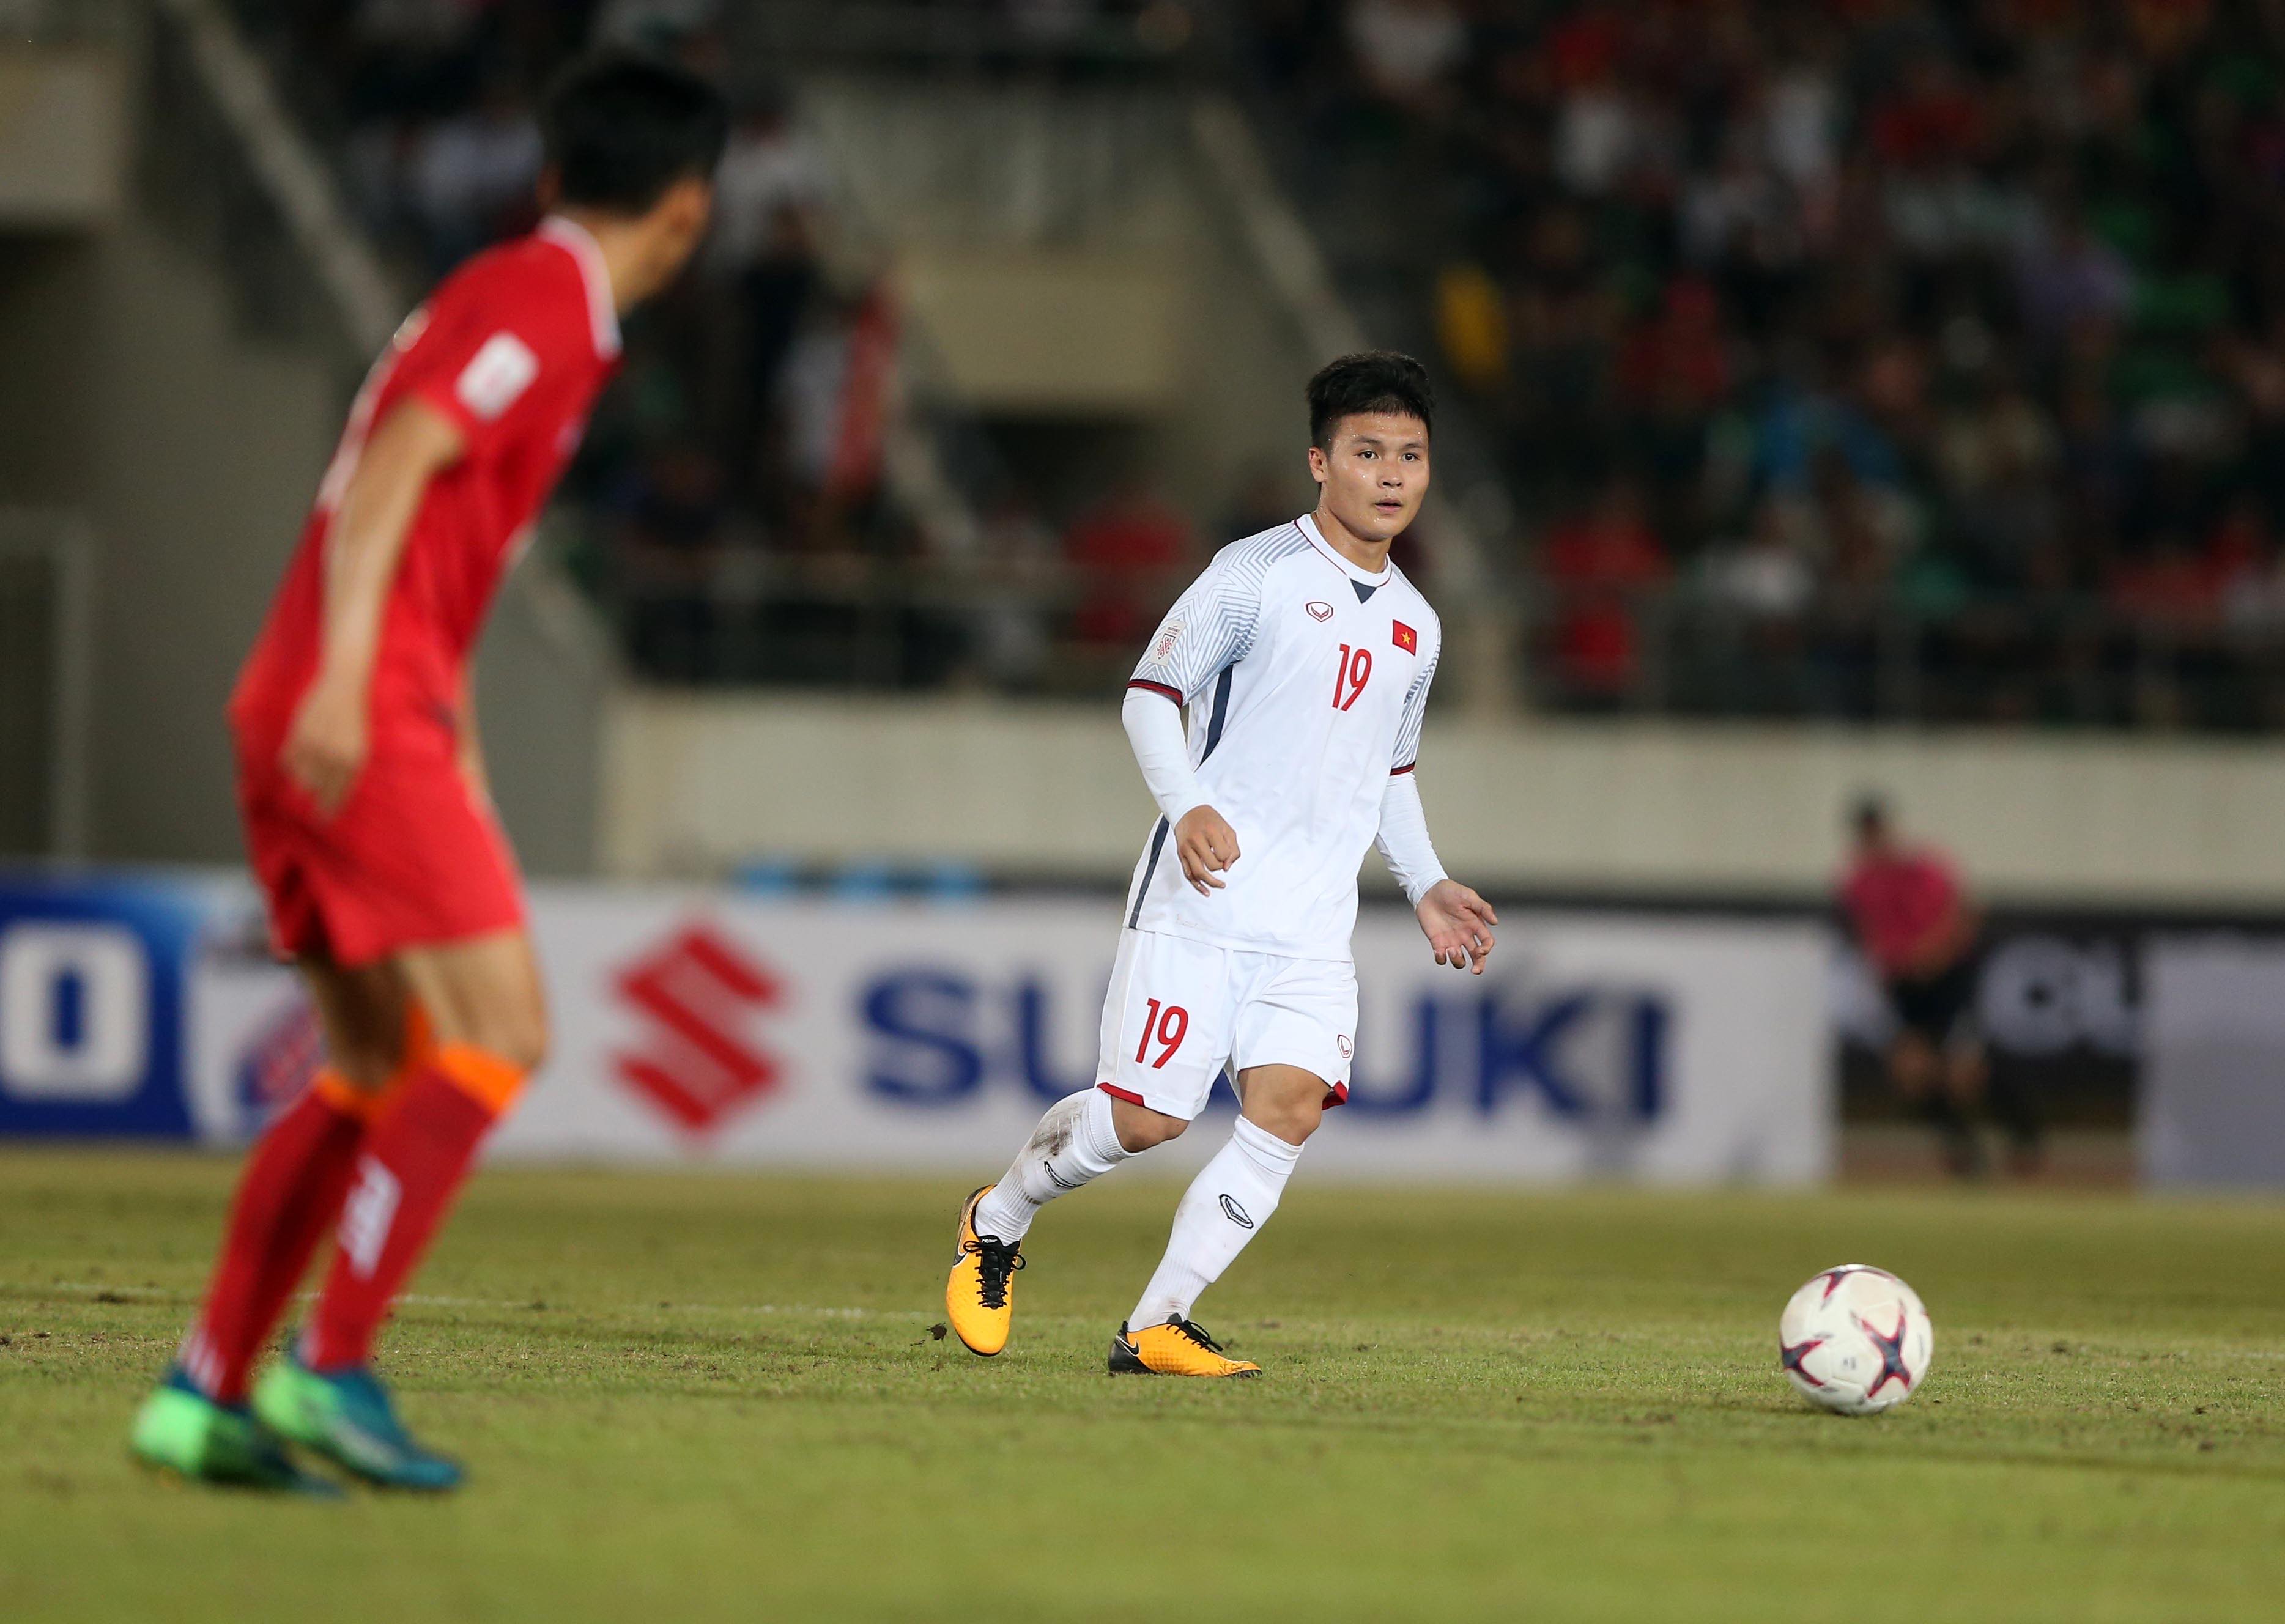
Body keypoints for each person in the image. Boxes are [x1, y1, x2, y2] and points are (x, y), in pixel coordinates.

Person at [130, 54, 727, 1493]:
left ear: (553, 173)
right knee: (498, 1032)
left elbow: (431, 517)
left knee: (370, 1064)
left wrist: (437, 717)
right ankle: (330, 1364)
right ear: (688, 212)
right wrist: (356, 678)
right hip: (354, 703)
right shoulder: (544, 300)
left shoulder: (519, 292)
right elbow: (402, 453)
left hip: (319, 702)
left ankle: (203, 1393)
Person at [943, 352, 1498, 1376]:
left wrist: (1423, 882)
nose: (1391, 474)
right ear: (1319, 463)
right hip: (1204, 899)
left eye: (1411, 456)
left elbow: (1390, 771)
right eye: (1367, 452)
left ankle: (1157, 1322)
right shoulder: (1254, 573)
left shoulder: (1418, 627)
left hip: (1311, 925)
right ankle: (998, 1217)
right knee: (1147, 1121)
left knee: (1288, 1109)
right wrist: (1188, 804)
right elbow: (1149, 697)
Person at [1837, 796, 2038, 1177]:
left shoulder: (1924, 868)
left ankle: (2024, 1136)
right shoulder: (1858, 882)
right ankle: (1961, 1148)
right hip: (1904, 985)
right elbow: (1866, 933)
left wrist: (1932, 952)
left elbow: (1963, 917)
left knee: (1965, 1074)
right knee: (1911, 1072)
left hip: (1950, 979)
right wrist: (1889, 963)